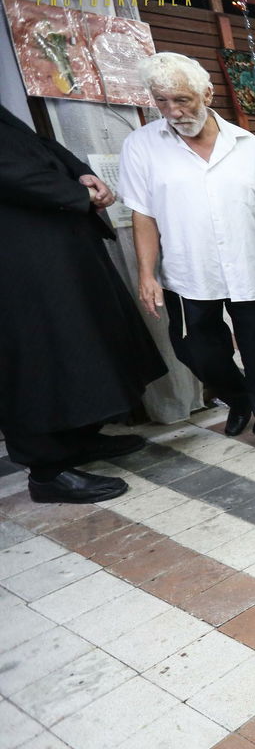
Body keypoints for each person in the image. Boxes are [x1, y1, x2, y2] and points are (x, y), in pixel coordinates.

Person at [121, 52, 255, 461]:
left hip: (248, 270)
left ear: (207, 92)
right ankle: (238, 397)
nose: (172, 111)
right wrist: (147, 274)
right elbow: (142, 214)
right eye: (161, 101)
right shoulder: (142, 146)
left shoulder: (248, 145)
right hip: (188, 273)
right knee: (195, 350)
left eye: (181, 99)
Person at [0, 106, 167, 504]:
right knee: (37, 356)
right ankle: (46, 471)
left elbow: (39, 146)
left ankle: (76, 441)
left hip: (53, 251)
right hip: (17, 263)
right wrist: (78, 194)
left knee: (80, 343)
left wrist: (81, 173)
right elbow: (9, 171)